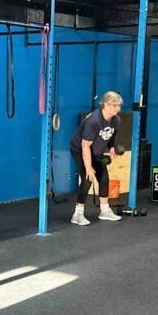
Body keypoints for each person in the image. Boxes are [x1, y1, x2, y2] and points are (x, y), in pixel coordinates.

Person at [69, 91, 124, 225]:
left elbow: (111, 137)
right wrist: (88, 167)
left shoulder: (116, 120)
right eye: (113, 105)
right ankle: (78, 214)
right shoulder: (94, 120)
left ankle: (105, 211)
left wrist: (111, 148)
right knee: (88, 179)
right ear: (105, 104)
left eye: (118, 106)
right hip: (80, 149)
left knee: (104, 178)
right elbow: (85, 145)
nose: (116, 109)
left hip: (96, 151)